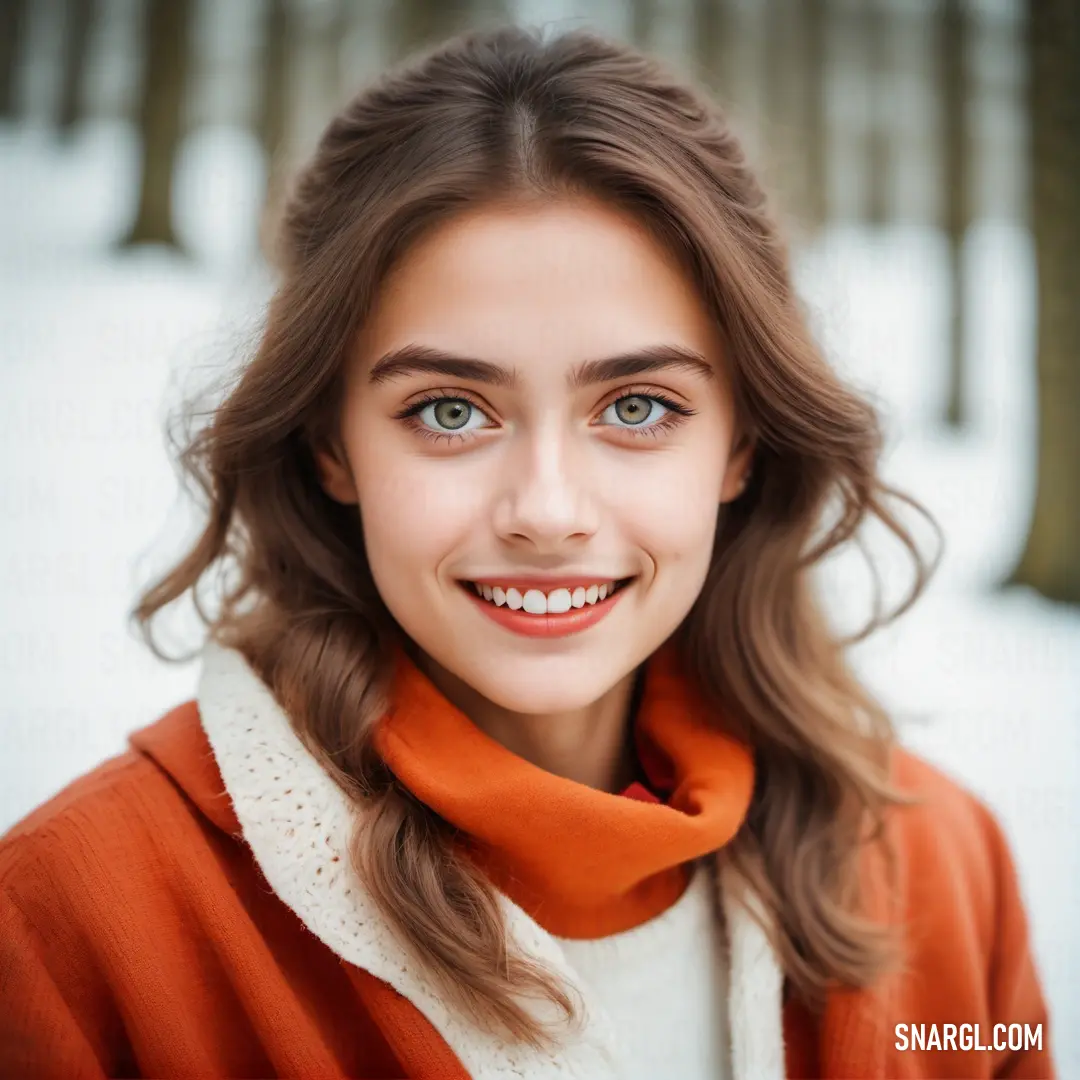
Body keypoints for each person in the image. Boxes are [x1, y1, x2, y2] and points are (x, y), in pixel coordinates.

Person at [0, 24, 1055, 1080]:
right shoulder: (67, 934)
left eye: (637, 405)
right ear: (330, 443)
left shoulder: (945, 872)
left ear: (740, 444)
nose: (547, 513)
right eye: (451, 411)